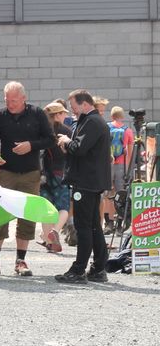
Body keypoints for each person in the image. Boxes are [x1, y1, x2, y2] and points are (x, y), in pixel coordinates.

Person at [0, 81, 55, 277]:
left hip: (30, 174)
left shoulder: (37, 114)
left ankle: (21, 260)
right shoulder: (0, 115)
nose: (10, 104)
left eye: (14, 100)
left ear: (24, 98)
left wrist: (31, 145)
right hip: (6, 173)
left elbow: (51, 139)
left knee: (27, 215)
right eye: (7, 100)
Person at [56, 89, 111, 284]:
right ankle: (98, 268)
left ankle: (79, 270)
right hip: (90, 181)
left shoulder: (92, 122)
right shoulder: (92, 121)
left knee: (84, 227)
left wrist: (66, 141)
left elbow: (79, 148)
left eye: (74, 106)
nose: (72, 110)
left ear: (85, 104)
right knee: (94, 225)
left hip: (86, 183)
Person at [38, 102, 72, 253]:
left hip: (44, 174)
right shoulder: (66, 131)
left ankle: (47, 240)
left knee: (47, 208)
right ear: (57, 115)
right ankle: (56, 231)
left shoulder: (42, 131)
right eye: (63, 113)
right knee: (63, 207)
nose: (66, 115)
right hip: (61, 174)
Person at [104, 106, 133, 235]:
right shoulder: (128, 131)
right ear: (122, 116)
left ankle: (108, 224)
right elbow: (130, 154)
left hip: (107, 165)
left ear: (111, 116)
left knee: (108, 195)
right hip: (122, 165)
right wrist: (129, 170)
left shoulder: (106, 128)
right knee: (121, 196)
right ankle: (120, 226)